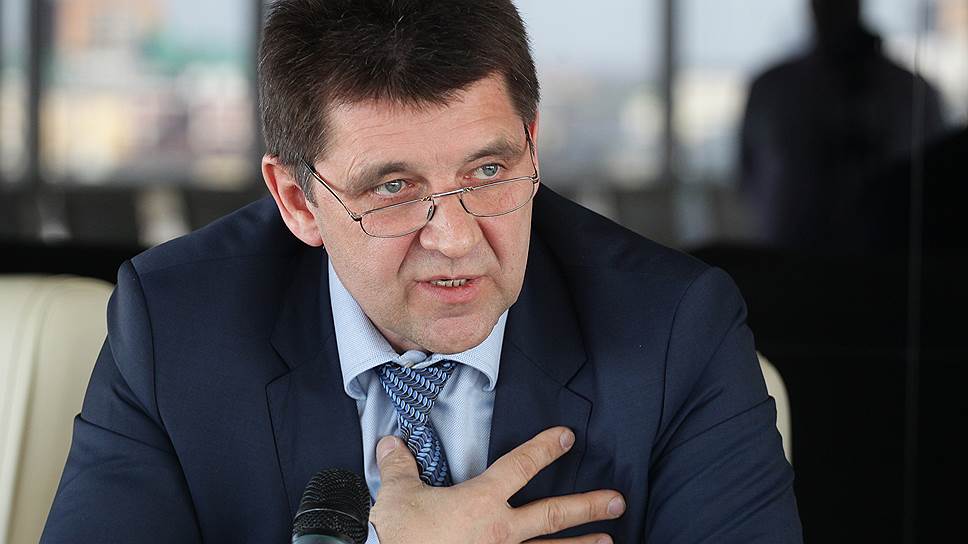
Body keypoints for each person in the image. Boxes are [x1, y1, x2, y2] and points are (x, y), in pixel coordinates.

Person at [42, 1, 802, 542]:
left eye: (488, 171)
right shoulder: (176, 323)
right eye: (393, 188)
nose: (456, 238)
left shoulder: (675, 327)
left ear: (532, 145)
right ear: (298, 202)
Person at [739, 0, 946, 252]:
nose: (831, 9)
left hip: (883, 254)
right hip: (793, 250)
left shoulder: (909, 91)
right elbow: (749, 173)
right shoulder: (772, 87)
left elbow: (933, 179)